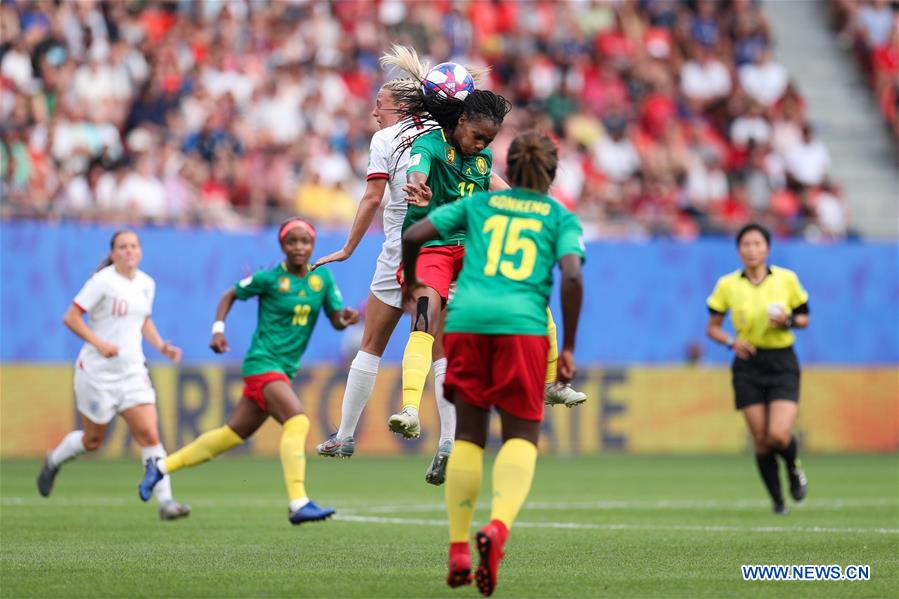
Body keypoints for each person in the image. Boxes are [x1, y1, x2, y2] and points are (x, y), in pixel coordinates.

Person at [401, 132, 585, 596]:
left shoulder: (478, 204)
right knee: (522, 437)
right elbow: (573, 276)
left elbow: (415, 233)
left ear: (512, 167)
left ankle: (459, 547)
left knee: (468, 437)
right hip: (521, 326)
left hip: (466, 322)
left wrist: (410, 284)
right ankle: (497, 530)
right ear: (551, 173)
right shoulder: (559, 217)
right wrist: (567, 348)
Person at [383, 48, 584, 447]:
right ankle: (408, 408)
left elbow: (498, 188)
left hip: (471, 249)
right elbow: (419, 167)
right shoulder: (429, 146)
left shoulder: (482, 155)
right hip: (432, 248)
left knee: (528, 295)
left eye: (489, 140)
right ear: (458, 121)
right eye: (477, 137)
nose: (481, 145)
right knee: (425, 311)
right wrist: (418, 187)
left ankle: (552, 385)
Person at [137, 218, 359, 525]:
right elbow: (229, 295)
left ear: (313, 245)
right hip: (262, 364)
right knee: (297, 421)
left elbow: (335, 319)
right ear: (282, 246)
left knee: (230, 435)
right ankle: (298, 502)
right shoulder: (268, 279)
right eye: (291, 242)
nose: (298, 247)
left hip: (283, 369)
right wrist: (218, 330)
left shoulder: (322, 281)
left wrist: (345, 318)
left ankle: (159, 467)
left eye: (304, 242)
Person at [311, 49, 462, 486]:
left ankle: (344, 436)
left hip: (400, 250)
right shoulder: (443, 133)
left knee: (371, 344)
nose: (374, 110)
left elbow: (373, 198)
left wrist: (346, 248)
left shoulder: (386, 140)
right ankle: (448, 441)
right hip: (442, 249)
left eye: (379, 103)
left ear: (398, 106)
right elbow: (485, 176)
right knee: (441, 350)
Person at [37, 230, 190, 521]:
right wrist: (100, 343)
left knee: (150, 434)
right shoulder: (102, 282)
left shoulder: (147, 283)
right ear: (113, 253)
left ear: (140, 251)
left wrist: (162, 346)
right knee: (93, 441)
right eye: (122, 247)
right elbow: (71, 317)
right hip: (98, 374)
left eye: (133, 246)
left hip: (132, 372)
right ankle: (53, 460)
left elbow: (142, 318)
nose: (129, 251)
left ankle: (166, 502)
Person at [706, 223, 810, 515]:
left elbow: (804, 318)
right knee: (761, 440)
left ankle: (793, 467)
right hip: (748, 364)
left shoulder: (786, 280)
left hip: (781, 361)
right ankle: (778, 501)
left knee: (778, 434)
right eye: (746, 245)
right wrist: (731, 342)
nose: (752, 250)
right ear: (738, 250)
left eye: (757, 244)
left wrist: (788, 320)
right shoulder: (727, 284)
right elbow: (712, 328)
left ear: (767, 249)